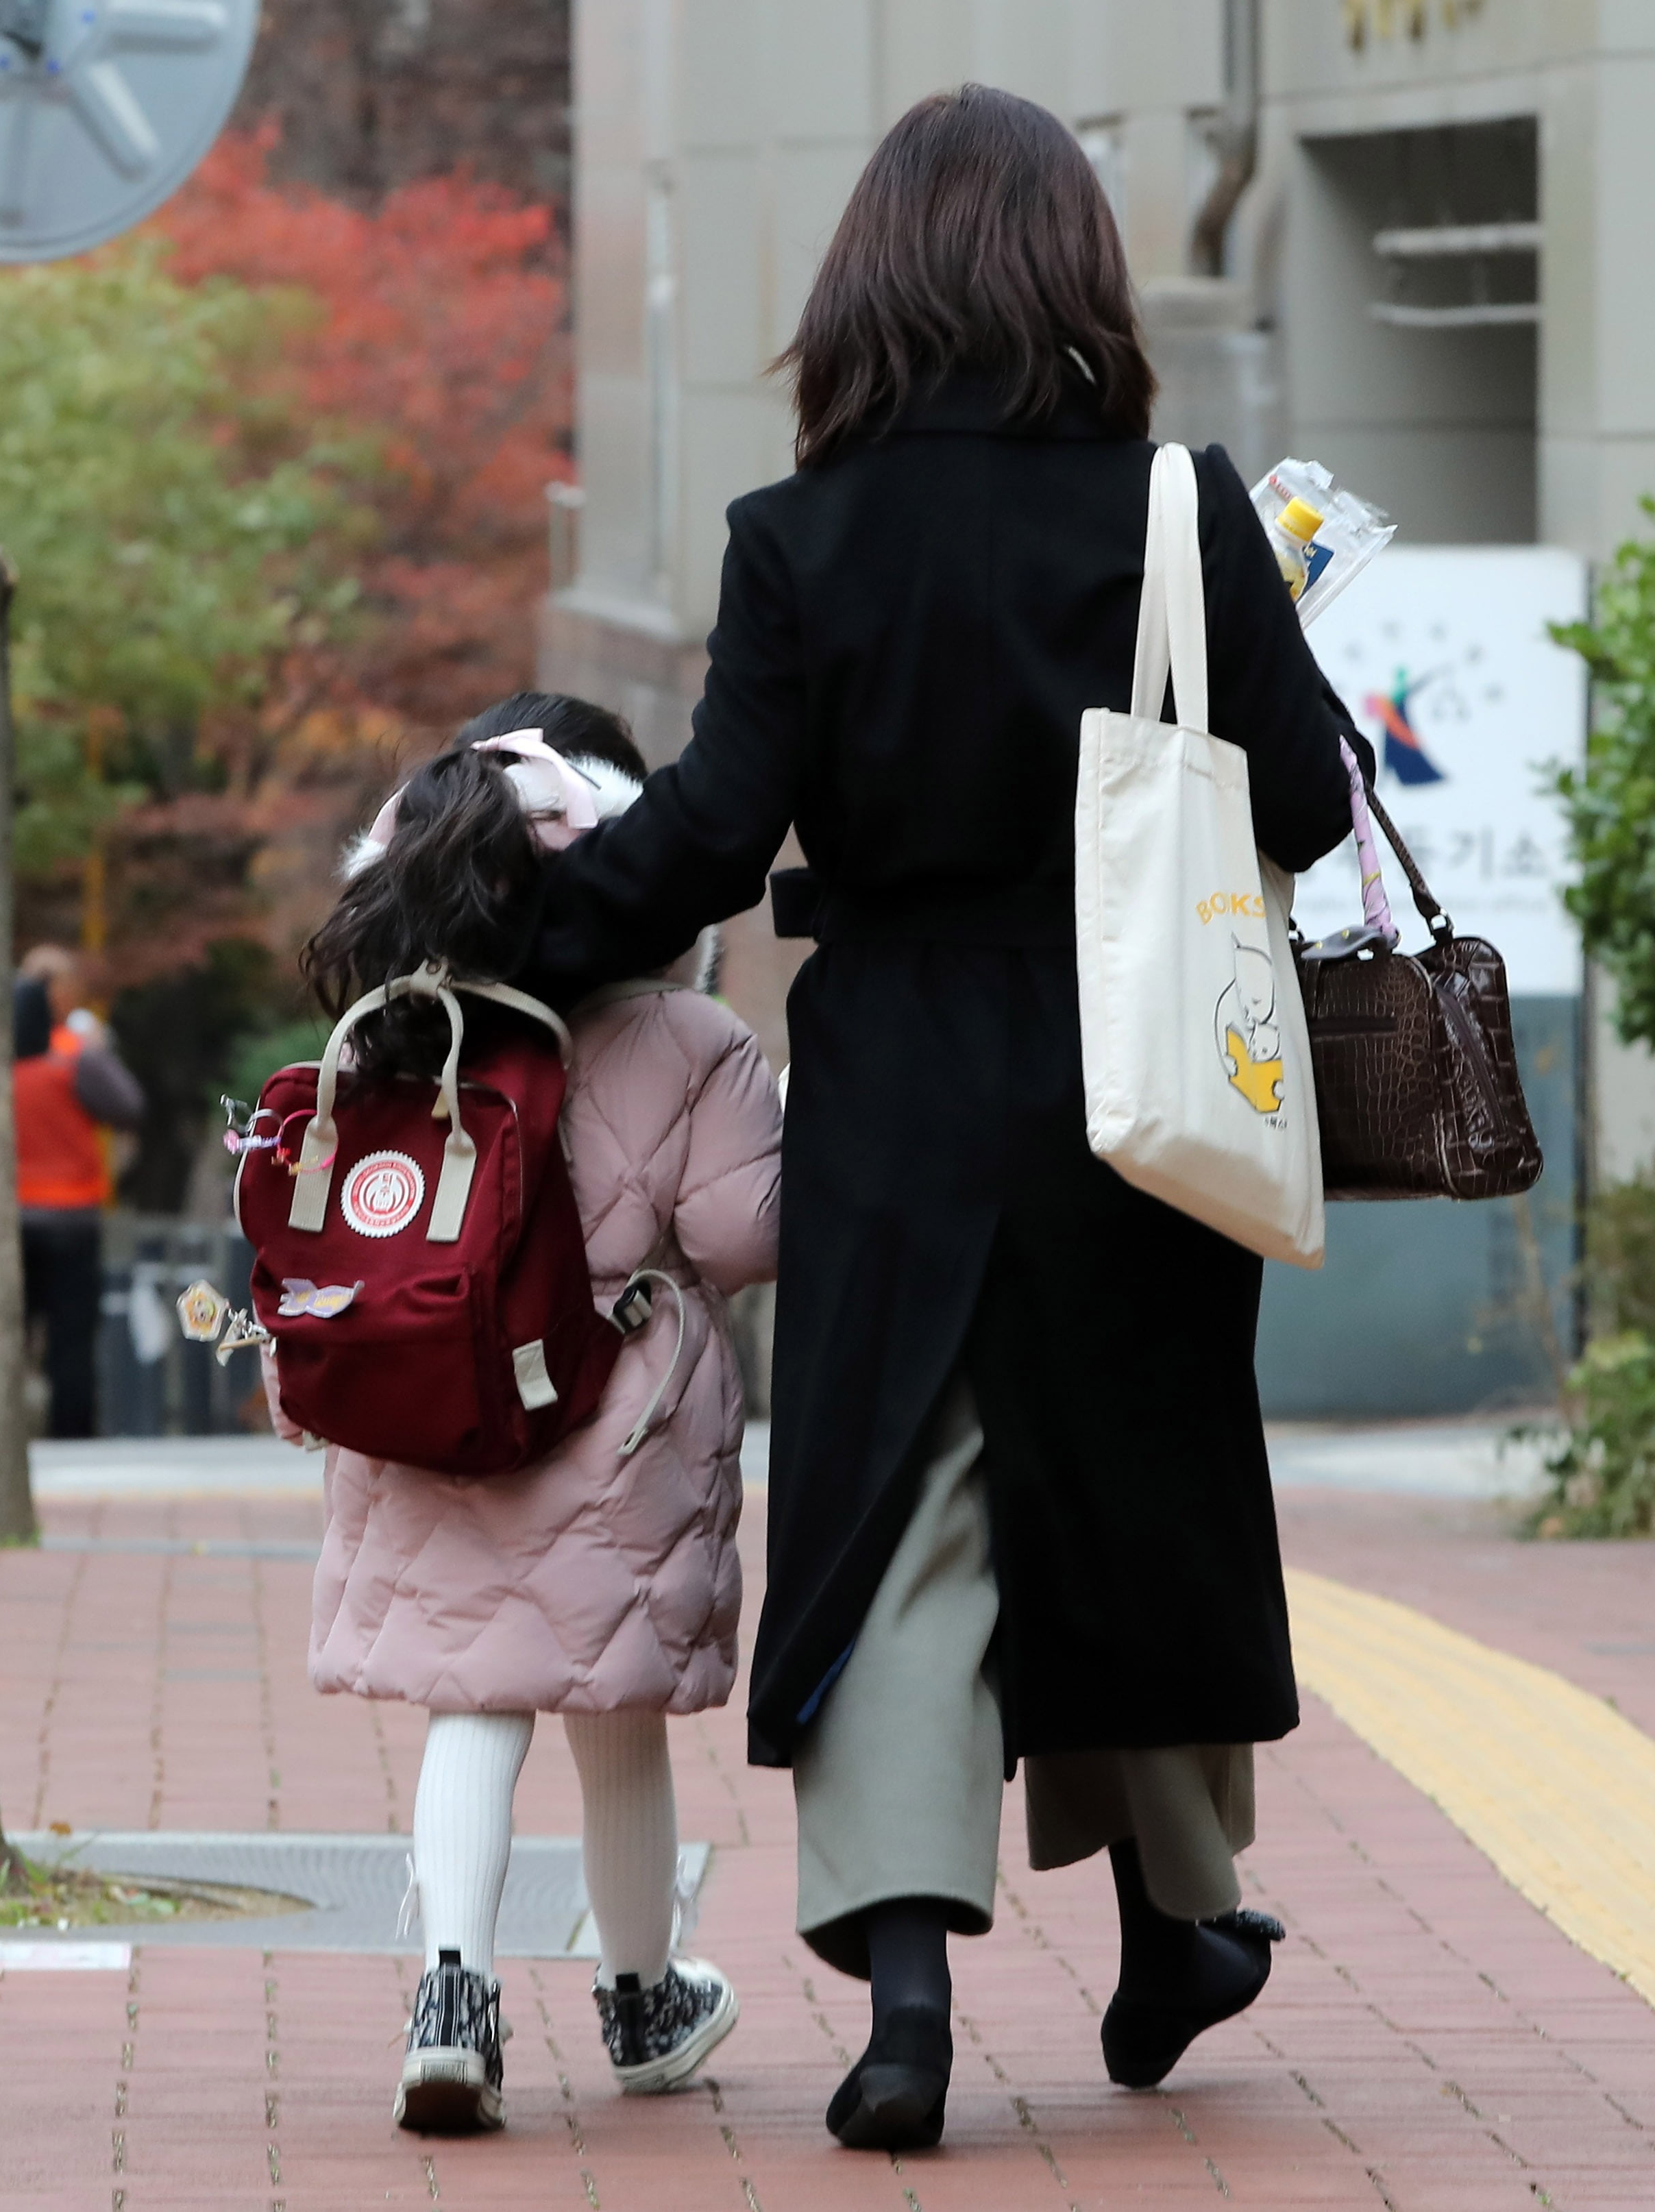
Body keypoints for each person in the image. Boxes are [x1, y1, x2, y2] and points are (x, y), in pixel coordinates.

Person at [514, 87, 1368, 2151]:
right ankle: (1180, 1917)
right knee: (1129, 1483)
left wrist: (502, 933)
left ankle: (908, 1986)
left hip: (898, 1076)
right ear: (1074, 270)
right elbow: (1311, 805)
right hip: (1140, 1090)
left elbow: (709, 835)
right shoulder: (1181, 511)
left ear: (868, 283)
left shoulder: (800, 538)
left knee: (909, 1494)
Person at [278, 693, 781, 2136]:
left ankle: (450, 1995)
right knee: (612, 1710)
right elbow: (744, 1238)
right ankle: (641, 2000)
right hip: (611, 1424)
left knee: (474, 1700)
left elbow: (332, 1227)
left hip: (431, 1406)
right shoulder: (691, 1038)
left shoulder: (394, 1031)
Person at [13, 946, 143, 1439]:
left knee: (9, 1332)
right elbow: (129, 1106)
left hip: (9, 1220)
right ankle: (72, 1434)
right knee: (71, 1339)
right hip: (71, 1217)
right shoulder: (74, 1055)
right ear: (61, 993)